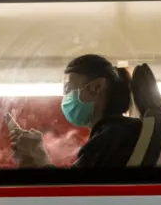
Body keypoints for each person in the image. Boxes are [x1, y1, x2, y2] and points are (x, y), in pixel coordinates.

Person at [10, 54, 142, 167]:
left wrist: (38, 155)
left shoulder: (111, 137)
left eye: (68, 90)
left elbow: (72, 193)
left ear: (96, 87)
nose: (65, 99)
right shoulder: (119, 131)